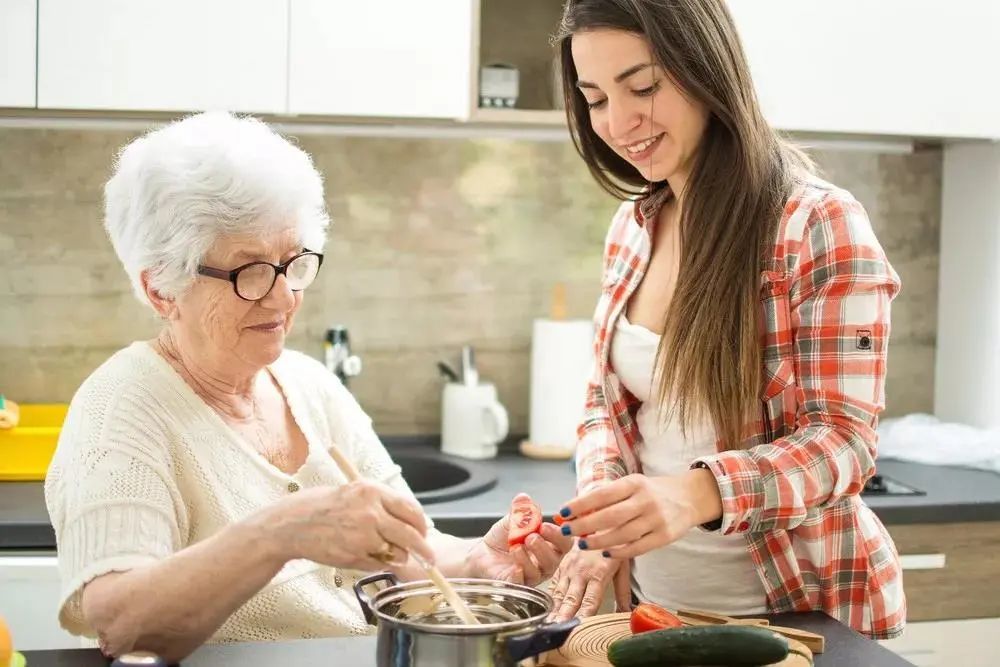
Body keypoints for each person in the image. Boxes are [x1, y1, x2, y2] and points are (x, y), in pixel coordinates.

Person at [44, 112, 571, 662]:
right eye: (249, 272)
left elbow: (411, 549)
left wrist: (475, 562)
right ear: (161, 290)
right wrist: (279, 534)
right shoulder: (120, 409)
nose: (282, 298)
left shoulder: (309, 385)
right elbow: (123, 624)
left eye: (292, 262)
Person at [545, 0, 905, 639]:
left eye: (644, 86)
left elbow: (844, 442)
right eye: (595, 98)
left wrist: (693, 493)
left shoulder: (815, 224)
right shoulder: (634, 228)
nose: (619, 121)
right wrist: (604, 517)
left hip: (799, 619)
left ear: (706, 67)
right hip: (655, 615)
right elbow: (606, 406)